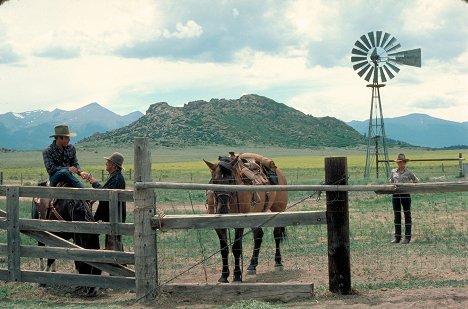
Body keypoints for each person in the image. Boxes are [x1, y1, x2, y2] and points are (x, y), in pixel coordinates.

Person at [80, 152, 126, 251]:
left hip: (113, 216)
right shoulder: (115, 177)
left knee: (114, 244)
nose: (106, 163)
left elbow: (105, 194)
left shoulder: (117, 178)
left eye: (108, 162)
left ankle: (116, 264)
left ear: (113, 165)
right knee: (113, 243)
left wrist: (92, 180)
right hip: (112, 215)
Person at [389, 153, 419, 244]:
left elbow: (416, 181)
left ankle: (407, 238)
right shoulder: (393, 171)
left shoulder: (409, 172)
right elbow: (390, 181)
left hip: (406, 194)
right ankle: (397, 237)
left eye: (401, 162)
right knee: (397, 215)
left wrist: (410, 187)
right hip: (396, 195)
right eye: (398, 162)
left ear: (404, 162)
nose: (399, 163)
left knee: (407, 215)